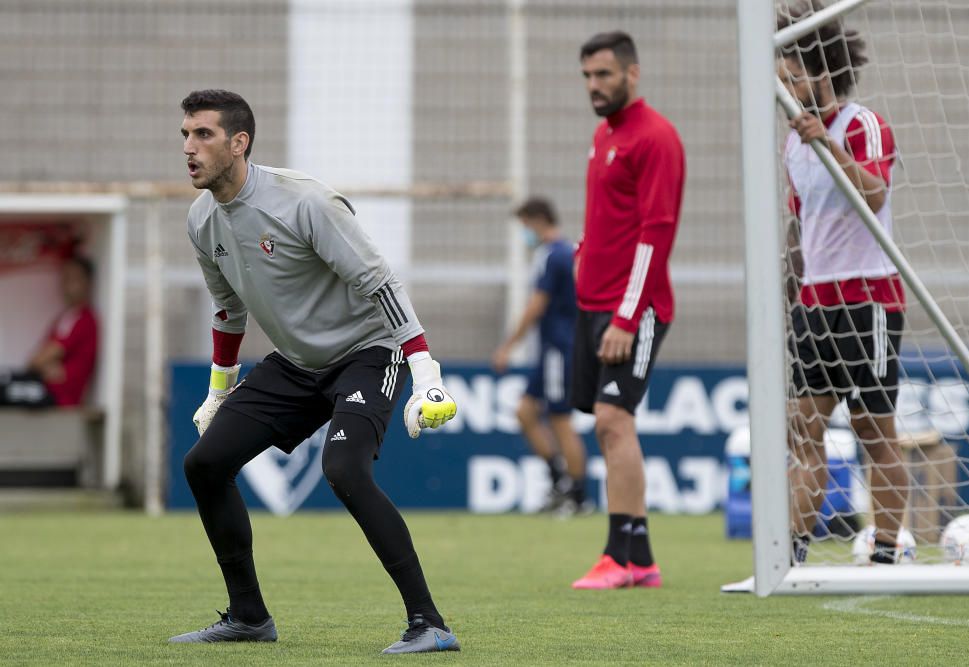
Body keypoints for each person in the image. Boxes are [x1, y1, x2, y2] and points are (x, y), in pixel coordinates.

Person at [169, 89, 460, 653]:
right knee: (205, 464)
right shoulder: (201, 220)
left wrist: (426, 374)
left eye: (202, 134)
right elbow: (229, 310)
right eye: (184, 134)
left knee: (345, 470)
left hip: (368, 350)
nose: (188, 147)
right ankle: (249, 618)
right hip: (298, 364)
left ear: (239, 142)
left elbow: (382, 285)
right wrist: (217, 392)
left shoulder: (305, 202)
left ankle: (429, 623)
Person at [777, 1, 908, 565]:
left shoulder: (862, 125)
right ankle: (793, 550)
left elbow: (874, 194)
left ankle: (884, 549)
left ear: (823, 74)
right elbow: (801, 221)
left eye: (793, 77)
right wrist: (790, 279)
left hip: (869, 297)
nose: (785, 90)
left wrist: (825, 145)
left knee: (874, 432)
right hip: (816, 303)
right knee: (803, 432)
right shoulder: (790, 143)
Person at [569, 32, 685, 590]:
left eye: (604, 75)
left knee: (616, 420)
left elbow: (655, 231)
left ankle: (620, 556)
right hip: (593, 302)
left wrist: (626, 314)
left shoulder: (656, 137)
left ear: (632, 74)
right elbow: (608, 217)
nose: (594, 85)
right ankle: (639, 558)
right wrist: (583, 254)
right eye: (588, 76)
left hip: (632, 309)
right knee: (607, 425)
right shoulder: (603, 134)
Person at [492, 197, 590, 515]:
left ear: (537, 220)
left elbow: (537, 305)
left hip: (558, 350)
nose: (524, 233)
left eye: (524, 226)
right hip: (552, 349)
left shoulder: (552, 254)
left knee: (560, 419)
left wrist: (509, 345)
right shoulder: (567, 253)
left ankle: (577, 496)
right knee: (525, 412)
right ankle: (558, 481)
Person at [0, 255, 98, 408]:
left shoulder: (84, 319)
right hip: (41, 385)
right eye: (65, 278)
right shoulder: (64, 318)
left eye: (74, 278)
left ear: (87, 282)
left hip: (58, 396)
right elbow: (36, 360)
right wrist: (45, 367)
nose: (67, 284)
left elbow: (41, 359)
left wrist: (44, 364)